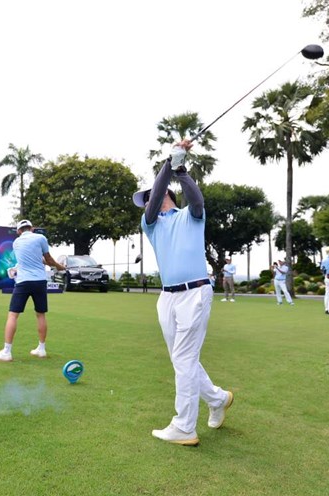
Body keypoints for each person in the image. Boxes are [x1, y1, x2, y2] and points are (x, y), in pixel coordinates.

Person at [132, 139, 232, 447]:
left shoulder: (191, 215)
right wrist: (169, 163)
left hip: (195, 293)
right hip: (167, 298)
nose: (147, 202)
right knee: (181, 359)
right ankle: (217, 399)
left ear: (168, 195)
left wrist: (181, 170)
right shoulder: (150, 224)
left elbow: (197, 200)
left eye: (150, 196)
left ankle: (184, 426)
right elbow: (153, 203)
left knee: (185, 358)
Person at [0, 219, 66, 362]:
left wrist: (56, 265)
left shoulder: (16, 242)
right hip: (40, 281)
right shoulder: (41, 238)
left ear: (19, 231)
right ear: (31, 228)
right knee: (41, 314)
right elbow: (48, 260)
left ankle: (7, 352)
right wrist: (60, 267)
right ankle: (42, 349)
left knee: (13, 315)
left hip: (23, 282)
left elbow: (34, 260)